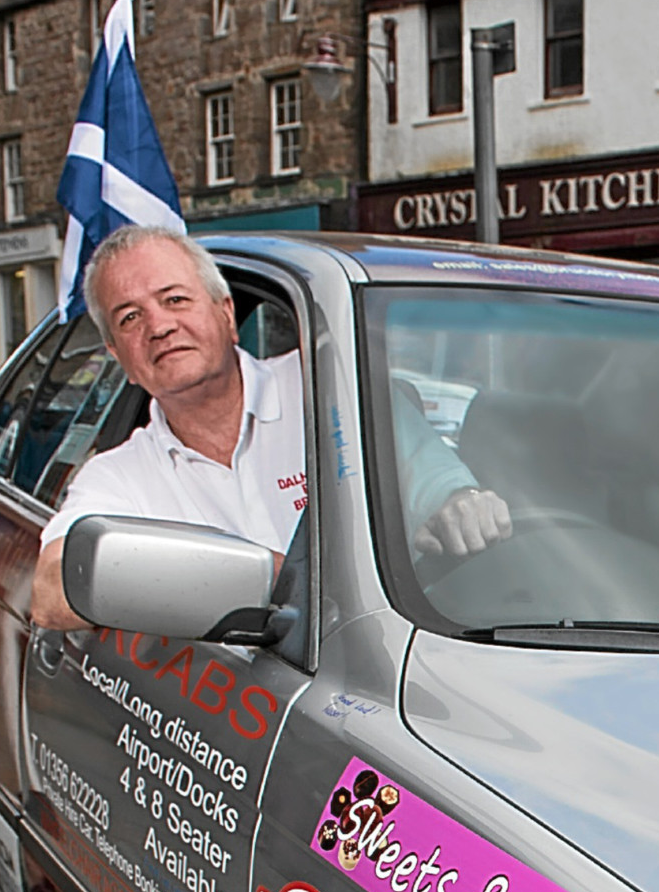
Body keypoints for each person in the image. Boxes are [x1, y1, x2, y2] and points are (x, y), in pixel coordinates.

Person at [34, 226, 510, 630]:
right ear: (121, 360)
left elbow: (442, 490)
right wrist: (262, 582)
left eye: (175, 299)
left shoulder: (330, 388)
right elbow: (52, 590)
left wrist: (464, 508)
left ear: (226, 315)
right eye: (130, 317)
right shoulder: (118, 474)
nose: (159, 326)